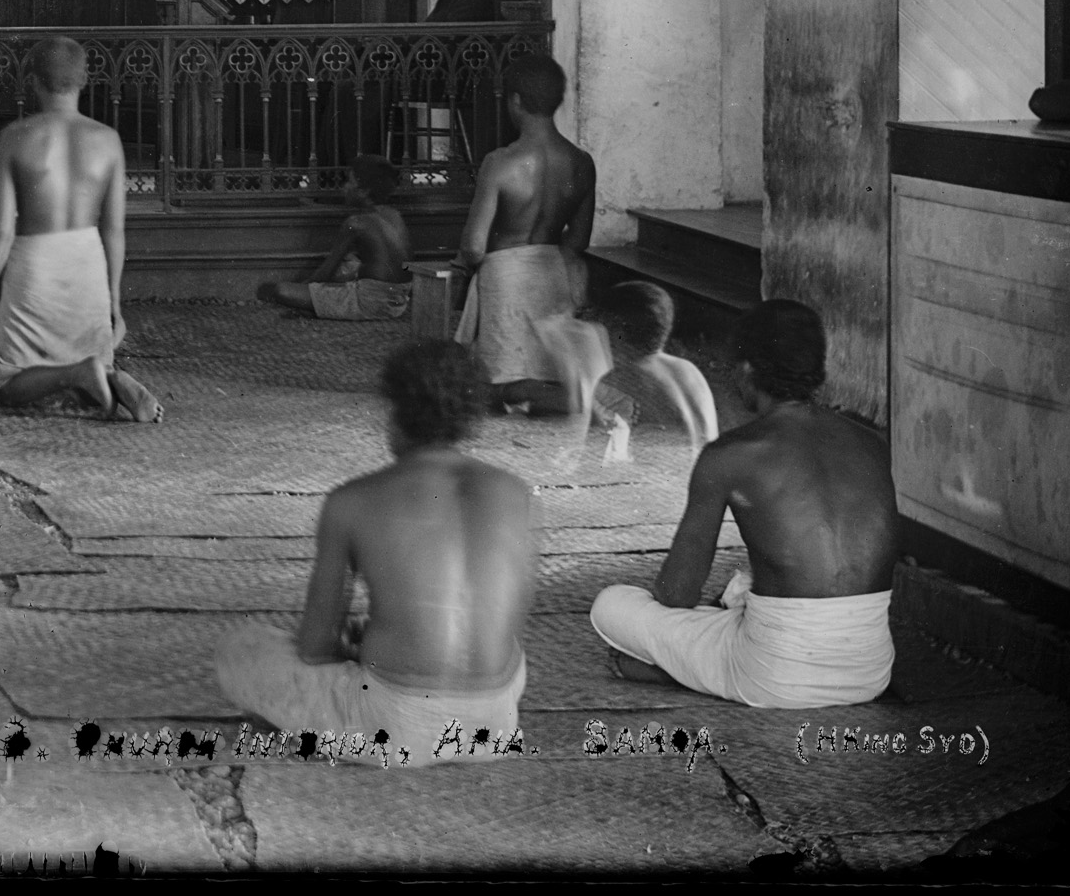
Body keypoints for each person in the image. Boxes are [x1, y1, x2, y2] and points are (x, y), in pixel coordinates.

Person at [214, 342, 533, 765]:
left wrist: (357, 648)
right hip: (495, 721)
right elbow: (507, 616)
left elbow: (314, 648)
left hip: (396, 727)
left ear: (394, 413)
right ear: (470, 419)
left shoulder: (352, 500)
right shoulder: (513, 491)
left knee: (242, 648)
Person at [591, 301, 896, 708]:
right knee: (738, 601)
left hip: (775, 677)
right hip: (870, 671)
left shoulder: (730, 454)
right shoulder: (871, 444)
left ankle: (684, 670)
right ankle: (700, 664)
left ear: (748, 370)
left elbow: (675, 594)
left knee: (612, 605)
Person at [0, 37, 163, 422]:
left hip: (35, 264)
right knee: (88, 352)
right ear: (85, 78)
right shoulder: (109, 141)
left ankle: (76, 373)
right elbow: (114, 231)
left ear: (32, 81)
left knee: (7, 387)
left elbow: (0, 233)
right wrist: (114, 299)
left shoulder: (16, 137)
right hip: (87, 263)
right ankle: (111, 376)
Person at [457, 55, 593, 414]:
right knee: (544, 371)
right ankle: (552, 392)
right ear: (559, 100)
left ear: (514, 100)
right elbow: (578, 241)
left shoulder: (500, 162)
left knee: (485, 388)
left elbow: (473, 247)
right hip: (553, 272)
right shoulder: (581, 162)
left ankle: (535, 394)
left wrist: (467, 268)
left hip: (504, 276)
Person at [535, 281, 719, 464]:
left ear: (614, 329)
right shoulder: (688, 369)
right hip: (700, 480)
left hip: (659, 487)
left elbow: (592, 461)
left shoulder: (621, 379)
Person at [261, 157, 414, 321]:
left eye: (349, 182)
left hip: (370, 303)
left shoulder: (355, 223)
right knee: (350, 264)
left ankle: (322, 309)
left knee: (280, 290)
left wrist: (303, 291)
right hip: (400, 302)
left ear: (364, 191)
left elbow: (325, 273)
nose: (344, 188)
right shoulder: (395, 215)